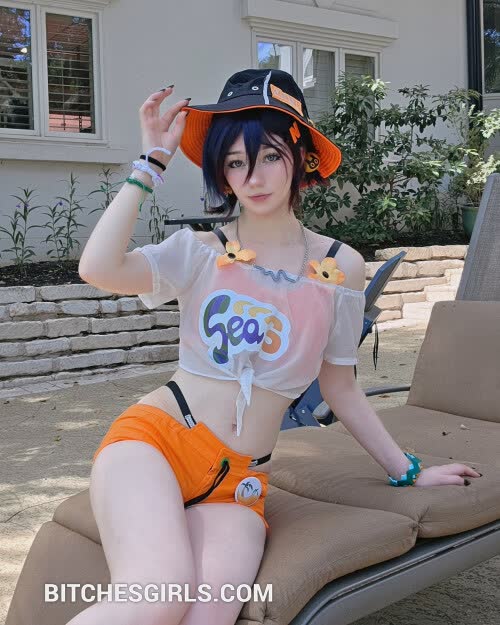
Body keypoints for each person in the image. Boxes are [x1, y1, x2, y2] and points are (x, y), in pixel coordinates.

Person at [73, 69, 481, 625]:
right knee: (156, 595)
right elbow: (97, 268)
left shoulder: (340, 266)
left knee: (208, 618)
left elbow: (340, 388)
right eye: (234, 162)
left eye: (268, 156)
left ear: (302, 158)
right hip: (156, 444)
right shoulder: (200, 251)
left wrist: (408, 471)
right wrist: (151, 164)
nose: (253, 176)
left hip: (240, 484)